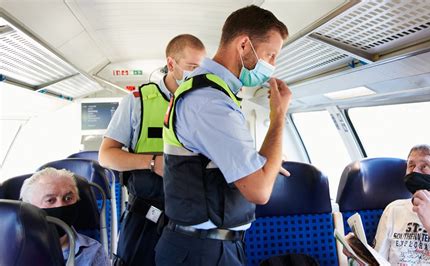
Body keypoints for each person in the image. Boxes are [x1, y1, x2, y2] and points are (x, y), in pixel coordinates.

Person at [156, 5, 291, 266]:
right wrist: (279, 114)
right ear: (243, 45)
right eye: (270, 55)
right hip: (200, 252)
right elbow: (259, 191)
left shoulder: (214, 90)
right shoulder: (210, 101)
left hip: (209, 246)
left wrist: (268, 164)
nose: (272, 65)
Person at [98, 34, 206, 265]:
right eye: (192, 67)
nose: (197, 74)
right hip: (146, 217)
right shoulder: (137, 101)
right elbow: (106, 155)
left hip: (194, 219)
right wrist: (152, 162)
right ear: (171, 64)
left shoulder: (207, 104)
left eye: (201, 68)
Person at [19, 167, 110, 266]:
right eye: (50, 200)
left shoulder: (93, 251)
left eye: (68, 198)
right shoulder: (12, 251)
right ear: (30, 207)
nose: (61, 206)